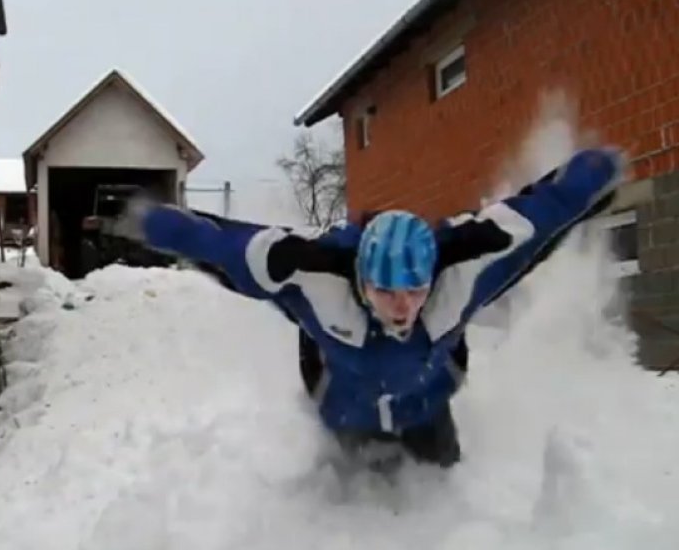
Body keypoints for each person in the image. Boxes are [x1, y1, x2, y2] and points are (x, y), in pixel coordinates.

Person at [121, 146, 626, 471]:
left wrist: (584, 187)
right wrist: (166, 228)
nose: (403, 306)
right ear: (362, 278)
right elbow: (234, 250)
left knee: (438, 496)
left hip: (426, 404)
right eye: (386, 291)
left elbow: (528, 224)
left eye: (414, 290)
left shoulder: (461, 274)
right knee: (351, 499)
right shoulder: (314, 277)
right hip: (344, 405)